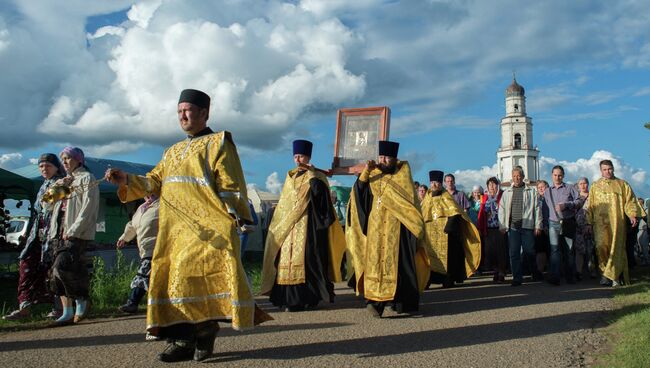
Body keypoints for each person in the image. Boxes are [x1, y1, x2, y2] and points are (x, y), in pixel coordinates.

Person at [106, 89, 271, 363]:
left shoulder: (219, 143)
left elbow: (231, 184)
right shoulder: (170, 152)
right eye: (179, 111)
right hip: (173, 231)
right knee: (173, 281)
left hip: (208, 228)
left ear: (205, 113)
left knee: (190, 279)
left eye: (188, 110)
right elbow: (153, 182)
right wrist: (126, 179)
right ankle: (191, 335)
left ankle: (196, 333)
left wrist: (236, 216)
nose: (182, 115)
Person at [346, 141, 430, 317]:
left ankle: (396, 302)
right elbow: (359, 193)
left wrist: (415, 228)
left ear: (394, 159)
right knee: (375, 265)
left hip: (396, 229)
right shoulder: (372, 175)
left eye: (387, 157)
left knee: (398, 266)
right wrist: (366, 172)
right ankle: (374, 302)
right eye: (381, 157)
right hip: (376, 229)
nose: (383, 160)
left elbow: (410, 205)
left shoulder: (403, 177)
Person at [261, 139, 345, 312]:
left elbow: (322, 201)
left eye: (301, 156)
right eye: (296, 156)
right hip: (288, 228)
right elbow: (285, 205)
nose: (298, 159)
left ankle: (308, 298)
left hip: (309, 227)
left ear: (308, 157)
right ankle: (288, 299)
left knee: (308, 261)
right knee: (286, 261)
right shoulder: (290, 177)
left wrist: (313, 176)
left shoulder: (317, 176)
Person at [3, 154, 65, 321]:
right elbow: (39, 212)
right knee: (26, 265)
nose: (44, 169)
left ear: (57, 167)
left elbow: (53, 207)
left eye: (48, 166)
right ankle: (24, 307)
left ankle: (58, 307)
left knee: (51, 270)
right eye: (41, 166)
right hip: (37, 234)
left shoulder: (63, 183)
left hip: (53, 234)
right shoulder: (43, 185)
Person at [48, 147, 99, 325]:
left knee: (61, 267)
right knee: (59, 273)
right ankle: (68, 311)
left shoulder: (87, 178)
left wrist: (75, 230)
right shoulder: (65, 182)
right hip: (58, 232)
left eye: (68, 158)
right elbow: (47, 205)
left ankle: (82, 300)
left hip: (75, 233)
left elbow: (89, 207)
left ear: (78, 160)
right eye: (62, 159)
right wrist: (59, 186)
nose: (64, 162)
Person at [420, 170, 481, 288]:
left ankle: (447, 279)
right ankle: (427, 279)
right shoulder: (426, 197)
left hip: (445, 235)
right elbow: (422, 213)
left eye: (436, 183)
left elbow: (455, 212)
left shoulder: (446, 196)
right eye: (432, 182)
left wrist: (449, 227)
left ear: (440, 184)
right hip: (429, 235)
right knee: (429, 258)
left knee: (448, 258)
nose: (433, 185)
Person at [586, 160, 642, 287]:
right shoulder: (595, 186)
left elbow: (630, 201)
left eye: (610, 169)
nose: (608, 171)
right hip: (600, 223)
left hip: (617, 222)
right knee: (601, 247)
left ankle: (613, 276)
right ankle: (606, 273)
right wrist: (588, 222)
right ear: (601, 171)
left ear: (613, 169)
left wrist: (632, 214)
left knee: (616, 248)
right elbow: (591, 205)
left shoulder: (622, 184)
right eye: (605, 169)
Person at [498, 166, 542, 286]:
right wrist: (502, 225)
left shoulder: (531, 191)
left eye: (518, 176)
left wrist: (538, 225)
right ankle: (517, 277)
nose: (516, 178)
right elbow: (501, 210)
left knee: (529, 252)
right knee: (514, 253)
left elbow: (537, 209)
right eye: (514, 176)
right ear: (512, 178)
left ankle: (534, 272)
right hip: (513, 228)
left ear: (522, 177)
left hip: (527, 226)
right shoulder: (507, 192)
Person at [116, 195, 159, 314]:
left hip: (157, 248)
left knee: (143, 274)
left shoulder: (163, 205)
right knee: (153, 278)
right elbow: (132, 225)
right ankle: (160, 304)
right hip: (145, 249)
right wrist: (124, 238)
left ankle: (132, 302)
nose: (149, 195)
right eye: (146, 192)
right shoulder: (142, 208)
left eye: (152, 191)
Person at [543, 166, 584, 285]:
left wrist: (566, 205)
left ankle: (570, 276)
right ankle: (555, 277)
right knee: (554, 250)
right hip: (553, 223)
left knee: (569, 251)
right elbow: (545, 209)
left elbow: (579, 202)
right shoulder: (547, 191)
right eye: (555, 175)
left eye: (559, 175)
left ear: (563, 175)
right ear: (551, 175)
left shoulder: (570, 188)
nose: (557, 177)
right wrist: (545, 224)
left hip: (567, 222)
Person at [478, 177, 508, 283]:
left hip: (500, 228)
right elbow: (481, 213)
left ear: (498, 185)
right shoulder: (485, 197)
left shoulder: (502, 195)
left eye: (494, 184)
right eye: (489, 184)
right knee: (490, 251)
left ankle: (501, 272)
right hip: (488, 229)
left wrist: (505, 226)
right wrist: (481, 228)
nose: (492, 186)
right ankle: (495, 270)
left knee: (501, 251)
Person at [574, 177, 596, 278]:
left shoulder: (593, 196)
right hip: (578, 227)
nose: (583, 185)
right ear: (578, 186)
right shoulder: (575, 197)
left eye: (585, 183)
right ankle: (579, 272)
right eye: (581, 183)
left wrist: (590, 224)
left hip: (591, 226)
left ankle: (592, 271)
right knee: (579, 250)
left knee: (590, 250)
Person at [534, 180, 550, 280]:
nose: (540, 188)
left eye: (543, 186)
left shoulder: (551, 199)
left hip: (550, 227)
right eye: (539, 187)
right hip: (539, 228)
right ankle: (539, 271)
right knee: (540, 250)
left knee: (552, 250)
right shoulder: (536, 199)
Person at [636, 197, 649, 266]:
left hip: (644, 230)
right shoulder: (638, 211)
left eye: (640, 203)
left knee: (644, 246)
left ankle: (647, 260)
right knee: (640, 246)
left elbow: (647, 219)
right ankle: (643, 259)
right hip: (639, 230)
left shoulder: (646, 210)